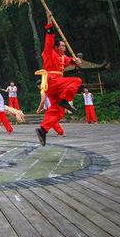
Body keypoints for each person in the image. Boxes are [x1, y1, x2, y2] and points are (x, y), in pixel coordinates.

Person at [35, 12, 82, 146]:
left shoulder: (62, 57)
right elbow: (49, 38)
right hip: (52, 80)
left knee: (58, 111)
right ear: (56, 47)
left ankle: (43, 130)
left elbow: (72, 61)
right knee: (76, 81)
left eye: (64, 46)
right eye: (62, 46)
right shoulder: (49, 53)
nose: (64, 48)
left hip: (55, 86)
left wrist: (77, 60)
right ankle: (64, 100)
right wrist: (49, 21)